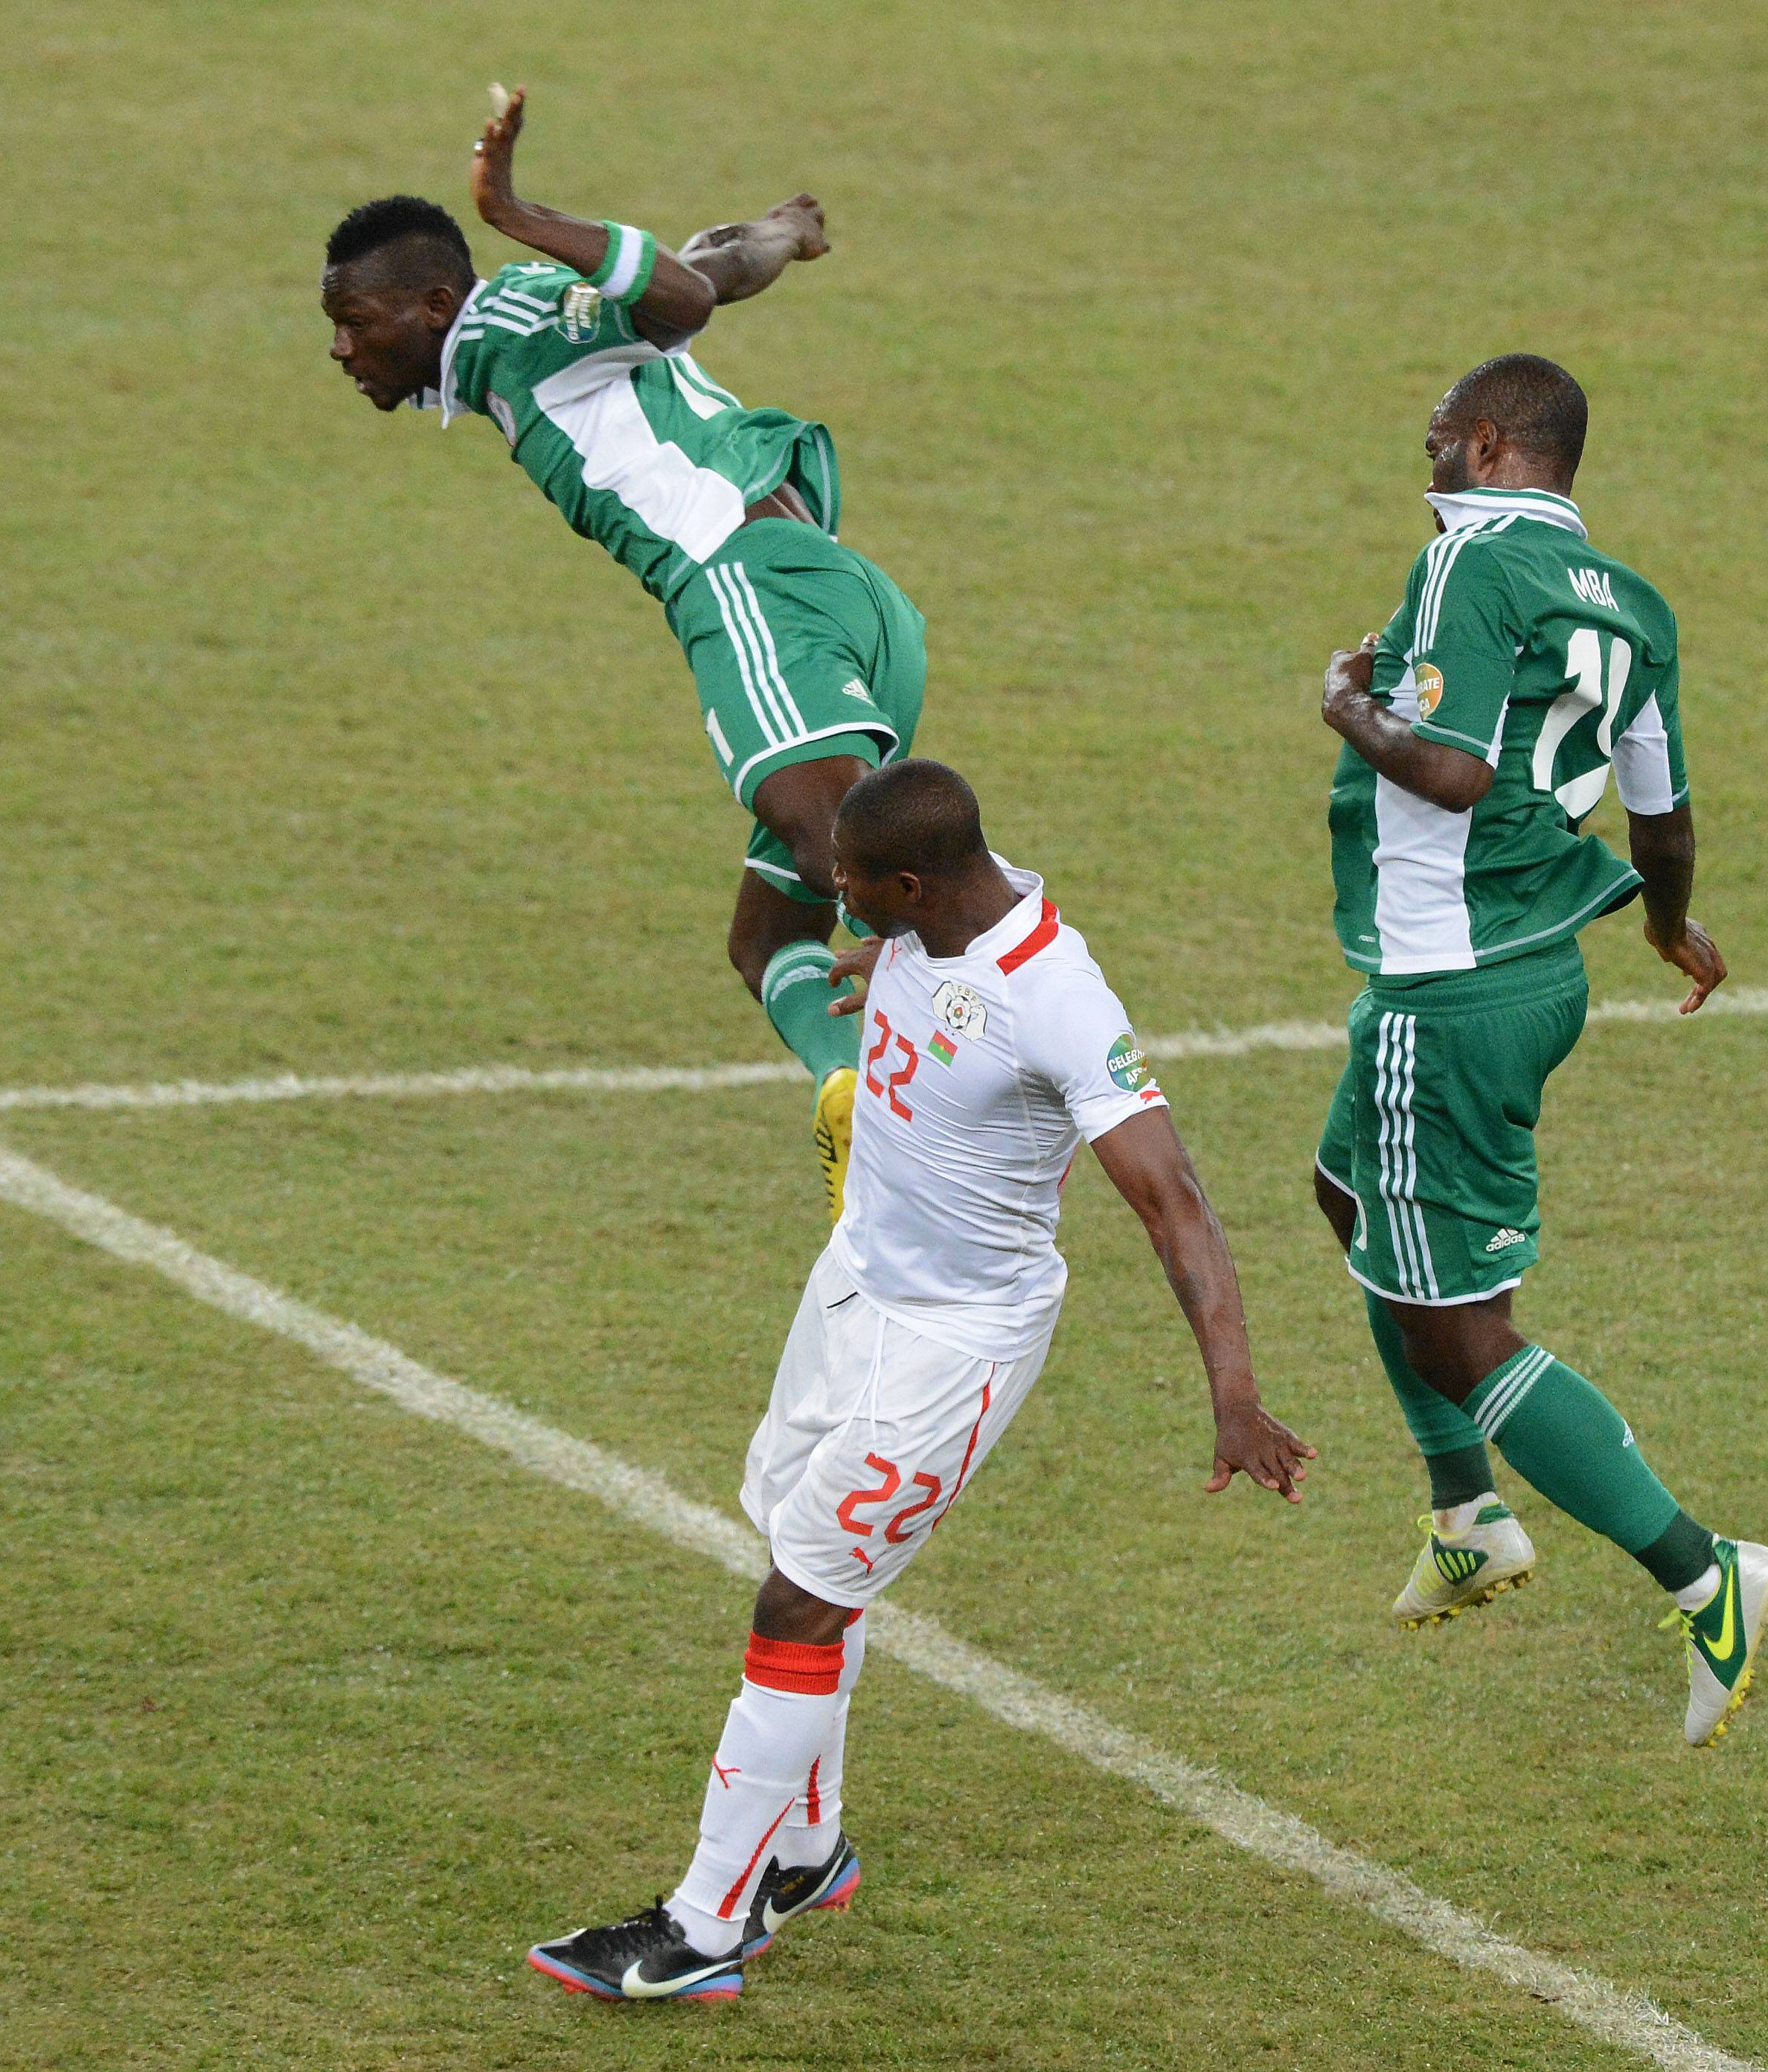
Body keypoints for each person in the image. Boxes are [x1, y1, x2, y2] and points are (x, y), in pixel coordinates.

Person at [527, 760, 1312, 2000]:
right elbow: (928, 979)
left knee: (799, 1601)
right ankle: (806, 1853)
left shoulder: (1055, 997)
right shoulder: (927, 924)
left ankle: (705, 1927)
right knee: (795, 1550)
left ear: (909, 883)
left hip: (954, 1351)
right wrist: (883, 960)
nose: (826, 889)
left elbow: (1178, 1204)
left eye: (845, 880)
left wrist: (1234, 1394)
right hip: (854, 1289)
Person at [319, 87, 921, 1222]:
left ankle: (992, 1048)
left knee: (852, 856)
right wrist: (781, 233)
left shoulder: (503, 324)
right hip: (844, 596)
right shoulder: (551, 331)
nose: (343, 348)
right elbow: (705, 274)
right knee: (772, 937)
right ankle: (855, 1091)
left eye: (357, 320)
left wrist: (513, 211)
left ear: (436, 304)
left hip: (745, 583)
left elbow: (681, 295)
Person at [1313, 353, 1768, 1747]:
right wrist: (1670, 928)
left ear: (1490, 443)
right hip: (1532, 970)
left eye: (1437, 436)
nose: (1425, 459)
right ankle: (1466, 1512)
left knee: (1466, 1331)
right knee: (1346, 1190)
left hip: (1448, 988)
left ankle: (1703, 1572)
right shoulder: (1631, 602)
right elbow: (1664, 818)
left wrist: (1349, 709)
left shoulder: (1466, 559)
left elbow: (1453, 770)